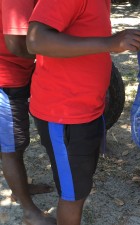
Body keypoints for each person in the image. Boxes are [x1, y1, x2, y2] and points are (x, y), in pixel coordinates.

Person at [26, 0, 140, 224]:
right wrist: (109, 43)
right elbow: (35, 39)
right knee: (73, 196)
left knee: (79, 187)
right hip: (63, 115)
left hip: (85, 111)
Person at [0, 0, 56, 224]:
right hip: (5, 79)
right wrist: (55, 53)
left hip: (14, 75)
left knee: (15, 142)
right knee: (11, 147)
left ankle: (21, 187)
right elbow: (16, 44)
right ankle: (29, 212)